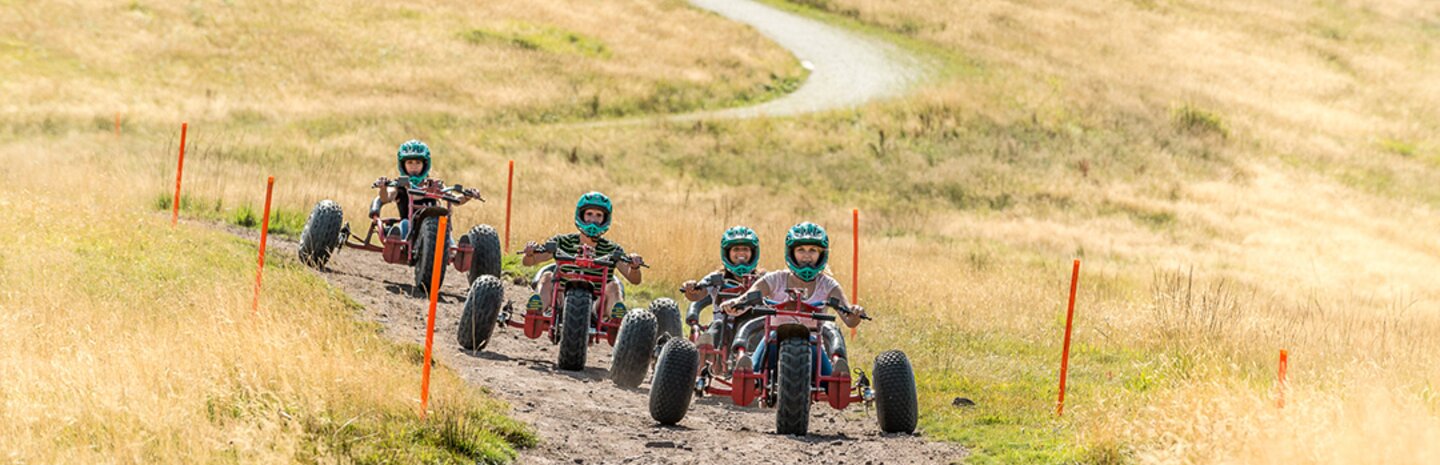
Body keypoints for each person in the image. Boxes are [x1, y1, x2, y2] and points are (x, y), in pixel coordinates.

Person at [718, 222, 866, 377]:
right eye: (801, 250)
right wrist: (734, 303)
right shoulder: (775, 279)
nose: (807, 255)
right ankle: (746, 368)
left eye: (813, 250)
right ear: (791, 252)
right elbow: (747, 299)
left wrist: (855, 311)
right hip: (773, 340)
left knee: (831, 382)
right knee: (752, 376)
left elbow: (849, 320)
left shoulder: (828, 284)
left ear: (822, 254)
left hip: (813, 342)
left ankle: (839, 370)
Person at [521, 192, 645, 322]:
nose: (593, 219)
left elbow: (634, 279)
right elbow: (529, 262)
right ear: (581, 215)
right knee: (547, 276)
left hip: (596, 305)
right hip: (562, 299)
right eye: (589, 214)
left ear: (605, 219)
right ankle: (536, 310)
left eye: (599, 215)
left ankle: (617, 318)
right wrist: (530, 253)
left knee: (613, 286)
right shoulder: (562, 242)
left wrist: (634, 267)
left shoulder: (612, 249)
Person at [680, 226, 766, 360]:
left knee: (760, 330)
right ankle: (706, 358)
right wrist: (691, 288)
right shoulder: (716, 278)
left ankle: (748, 363)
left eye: (745, 249)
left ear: (753, 253)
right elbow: (697, 295)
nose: (741, 253)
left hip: (751, 329)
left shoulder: (763, 280)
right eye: (736, 249)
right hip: (723, 330)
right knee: (718, 326)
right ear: (727, 253)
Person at [372, 139, 474, 238]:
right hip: (409, 230)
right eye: (410, 162)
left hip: (434, 231)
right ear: (403, 165)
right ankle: (399, 245)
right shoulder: (399, 185)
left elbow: (455, 200)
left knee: (443, 229)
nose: (414, 166)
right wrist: (383, 188)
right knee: (404, 223)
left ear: (425, 165)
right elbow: (386, 198)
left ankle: (453, 250)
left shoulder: (434, 184)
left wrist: (467, 196)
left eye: (418, 162)